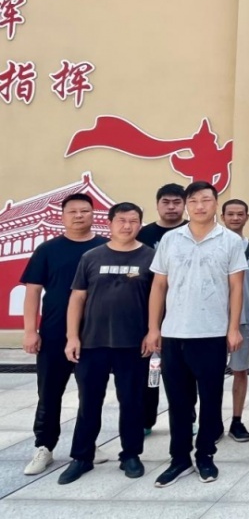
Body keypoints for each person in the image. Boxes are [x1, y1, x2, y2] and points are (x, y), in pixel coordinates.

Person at [144, 181, 247, 487]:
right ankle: (179, 459)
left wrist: (233, 328)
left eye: (206, 200)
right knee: (178, 401)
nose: (200, 206)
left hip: (212, 333)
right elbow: (159, 286)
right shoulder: (170, 239)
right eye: (194, 201)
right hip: (174, 333)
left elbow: (237, 287)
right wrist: (154, 328)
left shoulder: (229, 241)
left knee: (211, 400)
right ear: (187, 205)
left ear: (216, 204)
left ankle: (205, 456)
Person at [59, 202, 154, 484]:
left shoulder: (151, 257)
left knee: (133, 402)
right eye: (121, 220)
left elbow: (158, 298)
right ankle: (82, 457)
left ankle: (131, 455)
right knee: (89, 402)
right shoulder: (91, 256)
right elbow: (77, 298)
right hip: (92, 343)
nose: (127, 226)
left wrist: (153, 331)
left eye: (133, 221)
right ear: (110, 223)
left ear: (140, 224)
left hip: (133, 344)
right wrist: (72, 336)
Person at [20, 193, 110, 476]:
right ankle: (44, 446)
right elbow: (33, 292)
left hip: (95, 334)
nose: (79, 216)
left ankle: (87, 444)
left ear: (93, 214)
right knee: (49, 393)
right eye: (73, 211)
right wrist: (30, 331)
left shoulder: (105, 247)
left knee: (91, 393)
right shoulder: (48, 250)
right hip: (54, 333)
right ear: (62, 216)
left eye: (85, 211)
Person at [136, 183, 187, 435]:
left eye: (177, 202)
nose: (171, 207)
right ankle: (146, 419)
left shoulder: (193, 231)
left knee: (185, 373)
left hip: (184, 313)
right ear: (157, 205)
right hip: (150, 314)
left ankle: (187, 418)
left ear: (184, 205)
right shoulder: (143, 234)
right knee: (151, 368)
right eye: (166, 202)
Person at [220, 198, 249, 443]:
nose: (235, 218)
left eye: (240, 214)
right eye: (231, 214)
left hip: (244, 318)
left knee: (240, 370)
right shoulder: (213, 246)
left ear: (247, 217)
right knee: (211, 373)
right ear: (222, 217)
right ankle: (212, 420)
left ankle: (237, 420)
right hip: (214, 320)